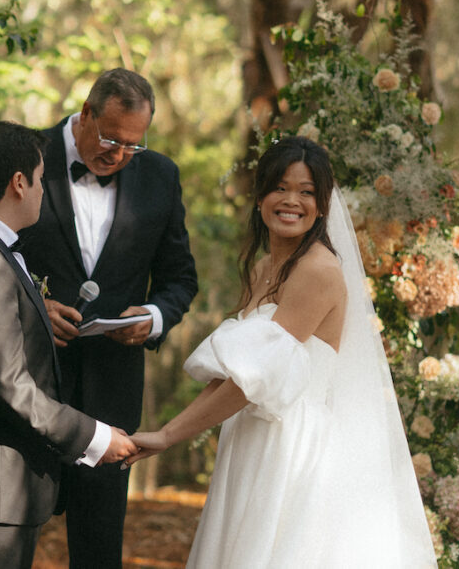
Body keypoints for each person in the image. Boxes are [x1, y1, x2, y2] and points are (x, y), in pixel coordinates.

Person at [127, 136, 438, 567]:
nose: (292, 200)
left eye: (307, 191)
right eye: (281, 187)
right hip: (255, 437)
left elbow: (256, 381)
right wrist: (168, 430)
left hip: (292, 448)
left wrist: (168, 437)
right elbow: (235, 373)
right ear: (260, 198)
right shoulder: (262, 268)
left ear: (323, 205)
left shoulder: (318, 270)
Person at [0, 121, 138, 569]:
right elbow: (8, 385)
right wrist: (93, 437)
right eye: (41, 179)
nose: (43, 190)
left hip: (4, 487)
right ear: (18, 183)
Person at [18, 68, 198, 568]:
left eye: (132, 145)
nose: (117, 154)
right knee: (5, 541)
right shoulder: (25, 154)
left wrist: (155, 317)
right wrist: (34, 304)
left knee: (98, 553)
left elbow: (180, 279)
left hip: (110, 396)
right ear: (85, 113)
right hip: (28, 385)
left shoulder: (161, 175)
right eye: (109, 138)